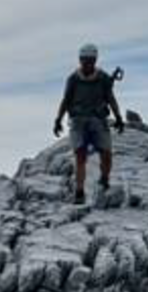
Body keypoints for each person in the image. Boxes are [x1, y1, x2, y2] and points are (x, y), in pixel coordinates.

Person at [51, 43, 125, 205]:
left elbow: (110, 98)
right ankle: (79, 192)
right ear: (80, 60)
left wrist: (118, 117)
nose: (88, 64)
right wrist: (58, 120)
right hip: (78, 121)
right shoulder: (73, 79)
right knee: (80, 156)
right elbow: (66, 100)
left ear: (95, 60)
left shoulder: (103, 78)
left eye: (90, 61)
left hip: (98, 120)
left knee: (106, 153)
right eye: (85, 61)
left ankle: (104, 179)